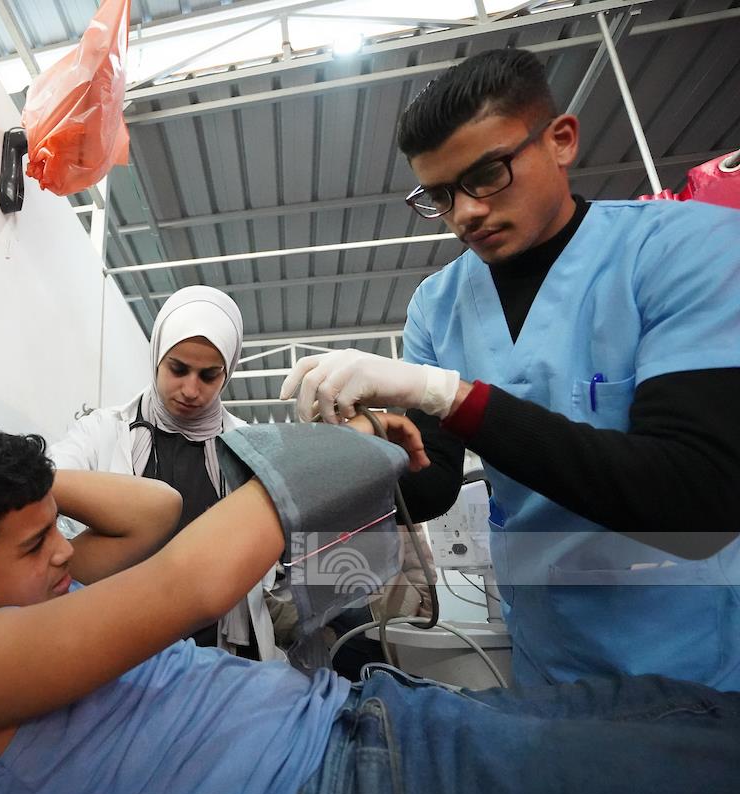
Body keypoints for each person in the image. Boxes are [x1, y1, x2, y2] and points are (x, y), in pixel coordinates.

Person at [0, 424, 740, 794]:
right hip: (335, 777)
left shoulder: (44, 594)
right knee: (679, 769)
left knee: (668, 713)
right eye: (35, 544)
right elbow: (193, 583)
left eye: (52, 531)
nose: (63, 551)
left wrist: (16, 483)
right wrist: (343, 447)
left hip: (364, 722)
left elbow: (153, 512)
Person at [279, 48, 740, 690]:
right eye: (440, 195)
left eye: (487, 175)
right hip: (549, 650)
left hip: (689, 652)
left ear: (561, 140)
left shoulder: (683, 248)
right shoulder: (438, 305)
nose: (465, 212)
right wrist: (366, 450)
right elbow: (434, 485)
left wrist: (446, 394)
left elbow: (696, 502)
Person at [48, 285, 281, 661]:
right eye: (178, 369)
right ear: (157, 357)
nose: (190, 389)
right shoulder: (102, 431)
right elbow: (45, 481)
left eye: (208, 376)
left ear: (227, 373)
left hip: (215, 645)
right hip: (121, 637)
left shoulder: (251, 448)